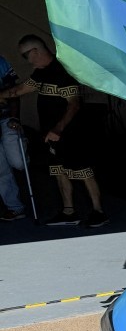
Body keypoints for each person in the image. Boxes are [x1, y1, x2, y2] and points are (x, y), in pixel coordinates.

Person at [2, 35, 107, 227]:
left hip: (71, 132)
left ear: (35, 51)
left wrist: (58, 128)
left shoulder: (62, 71)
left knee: (83, 171)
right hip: (50, 134)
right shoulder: (41, 73)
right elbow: (20, 89)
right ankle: (69, 211)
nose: (26, 60)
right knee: (59, 170)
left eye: (25, 55)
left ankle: (98, 211)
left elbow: (74, 104)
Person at [0, 54, 27, 221]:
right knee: (1, 169)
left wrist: (15, 117)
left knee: (18, 162)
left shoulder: (1, 62)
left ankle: (23, 145)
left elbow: (15, 90)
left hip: (6, 118)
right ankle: (15, 207)